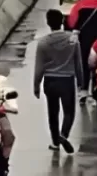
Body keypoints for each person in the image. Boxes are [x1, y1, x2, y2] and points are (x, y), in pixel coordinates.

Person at [34, 9, 82, 153]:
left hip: (50, 81)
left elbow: (39, 67)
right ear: (62, 21)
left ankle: (55, 143)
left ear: (48, 23)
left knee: (52, 112)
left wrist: (36, 85)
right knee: (69, 112)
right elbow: (78, 63)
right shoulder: (73, 40)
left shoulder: (43, 43)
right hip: (67, 81)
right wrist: (81, 81)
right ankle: (64, 135)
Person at [66, 0, 97, 102]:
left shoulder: (80, 5)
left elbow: (71, 22)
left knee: (84, 65)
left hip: (85, 41)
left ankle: (84, 90)